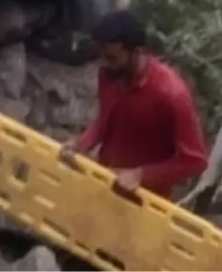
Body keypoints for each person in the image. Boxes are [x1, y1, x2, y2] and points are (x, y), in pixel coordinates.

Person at [57, 10, 208, 197]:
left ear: (135, 52)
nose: (104, 64)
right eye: (101, 57)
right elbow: (105, 120)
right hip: (105, 182)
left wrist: (141, 174)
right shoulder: (108, 74)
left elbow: (195, 161)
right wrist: (79, 144)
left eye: (111, 58)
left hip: (146, 201)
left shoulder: (171, 95)